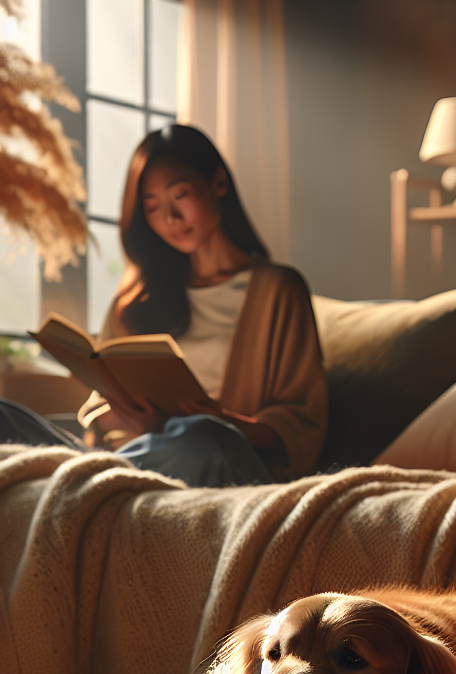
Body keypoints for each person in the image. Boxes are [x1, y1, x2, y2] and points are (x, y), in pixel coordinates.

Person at [0, 124, 328, 486]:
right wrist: (128, 420)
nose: (169, 218)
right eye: (152, 207)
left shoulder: (277, 290)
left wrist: (214, 422)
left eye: (181, 195)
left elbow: (301, 423)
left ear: (218, 183)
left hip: (216, 456)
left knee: (204, 437)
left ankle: (90, 480)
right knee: (5, 415)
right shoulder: (136, 298)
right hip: (129, 453)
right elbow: (98, 410)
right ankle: (95, 478)